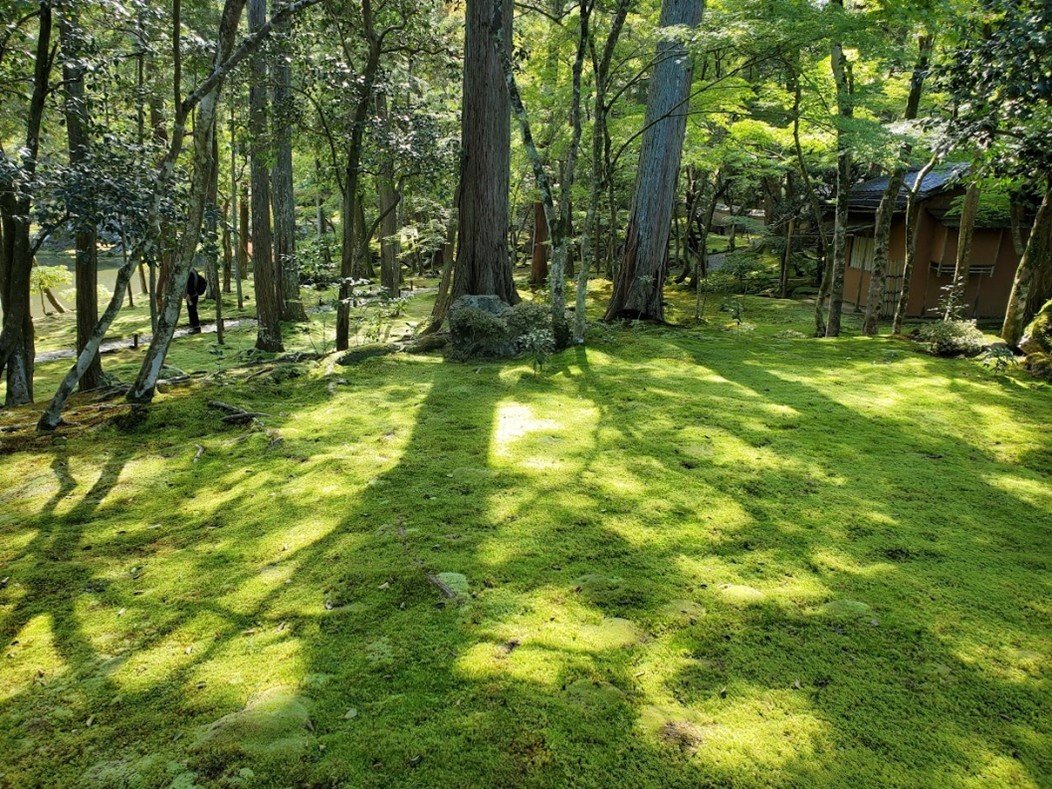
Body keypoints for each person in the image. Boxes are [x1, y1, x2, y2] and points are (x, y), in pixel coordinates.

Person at [186, 269, 207, 334]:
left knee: (192, 310)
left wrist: (188, 295)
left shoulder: (190, 272)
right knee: (192, 310)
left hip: (192, 295)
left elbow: (190, 285)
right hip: (193, 294)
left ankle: (196, 327)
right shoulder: (192, 270)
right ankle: (193, 326)